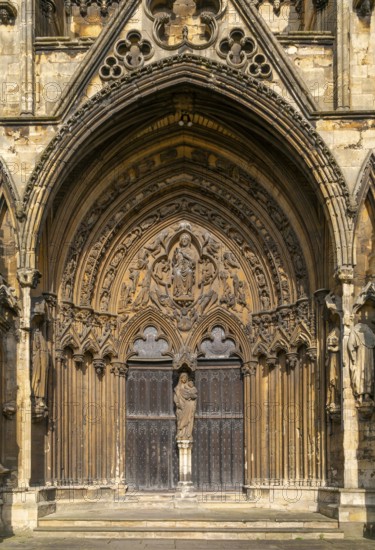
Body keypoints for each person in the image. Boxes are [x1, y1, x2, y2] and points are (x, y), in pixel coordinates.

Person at [174, 373, 197, 440]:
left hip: (188, 407)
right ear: (180, 378)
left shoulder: (189, 387)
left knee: (188, 422)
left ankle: (187, 434)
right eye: (182, 377)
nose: (184, 379)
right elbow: (175, 398)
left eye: (185, 377)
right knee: (180, 421)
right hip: (180, 408)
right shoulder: (177, 388)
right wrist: (178, 404)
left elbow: (194, 396)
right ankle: (181, 434)